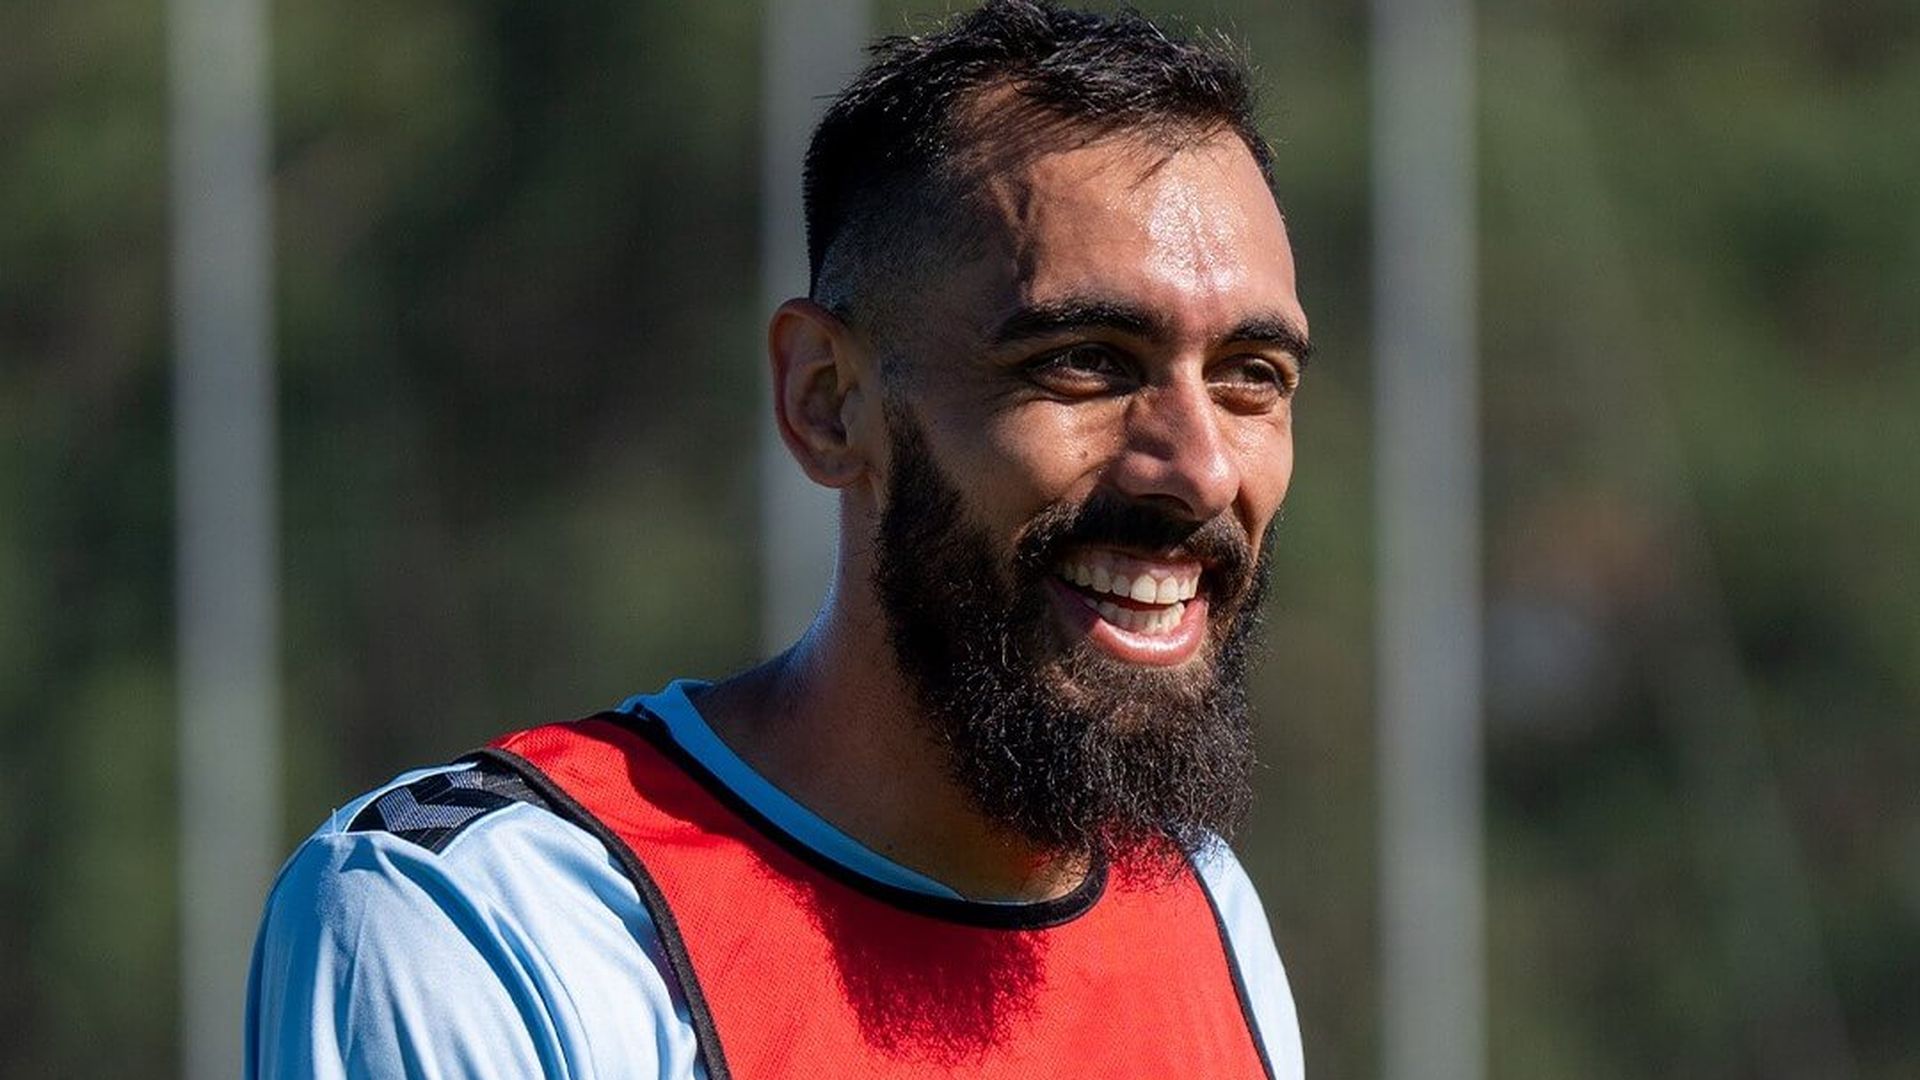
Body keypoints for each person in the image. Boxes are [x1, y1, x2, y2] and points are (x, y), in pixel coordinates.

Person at [247, 1, 1312, 1076]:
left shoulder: (1199, 903)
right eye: (1085, 361)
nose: (1202, 467)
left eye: (1251, 380)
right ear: (827, 401)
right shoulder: (495, 922)